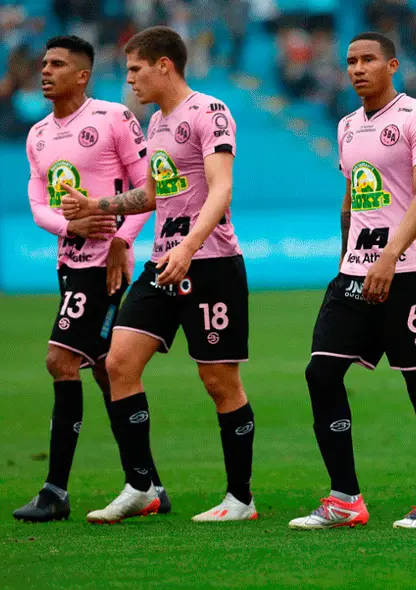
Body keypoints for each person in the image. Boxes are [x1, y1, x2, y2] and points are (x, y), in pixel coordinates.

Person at [60, 26, 257, 523]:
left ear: (164, 64)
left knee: (219, 381)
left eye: (135, 69)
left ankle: (240, 499)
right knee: (118, 363)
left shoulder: (209, 112)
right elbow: (152, 194)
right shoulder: (158, 124)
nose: (129, 81)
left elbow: (221, 188)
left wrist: (191, 246)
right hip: (163, 262)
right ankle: (141, 485)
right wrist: (98, 203)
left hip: (209, 263)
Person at [287, 32, 416, 531]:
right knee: (321, 374)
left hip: (407, 273)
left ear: (392, 65)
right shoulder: (346, 126)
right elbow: (351, 199)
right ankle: (345, 498)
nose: (358, 68)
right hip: (354, 275)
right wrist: (347, 258)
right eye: (351, 61)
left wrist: (389, 255)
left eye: (368, 60)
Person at [13, 35, 171, 523]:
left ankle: (55, 490)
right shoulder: (37, 134)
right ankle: (149, 484)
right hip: (68, 263)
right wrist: (69, 226)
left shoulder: (111, 119)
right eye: (43, 63)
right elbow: (39, 203)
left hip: (104, 267)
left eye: (57, 64)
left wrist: (123, 240)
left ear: (82, 75)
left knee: (59, 360)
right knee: (106, 372)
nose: (45, 71)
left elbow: (153, 186)